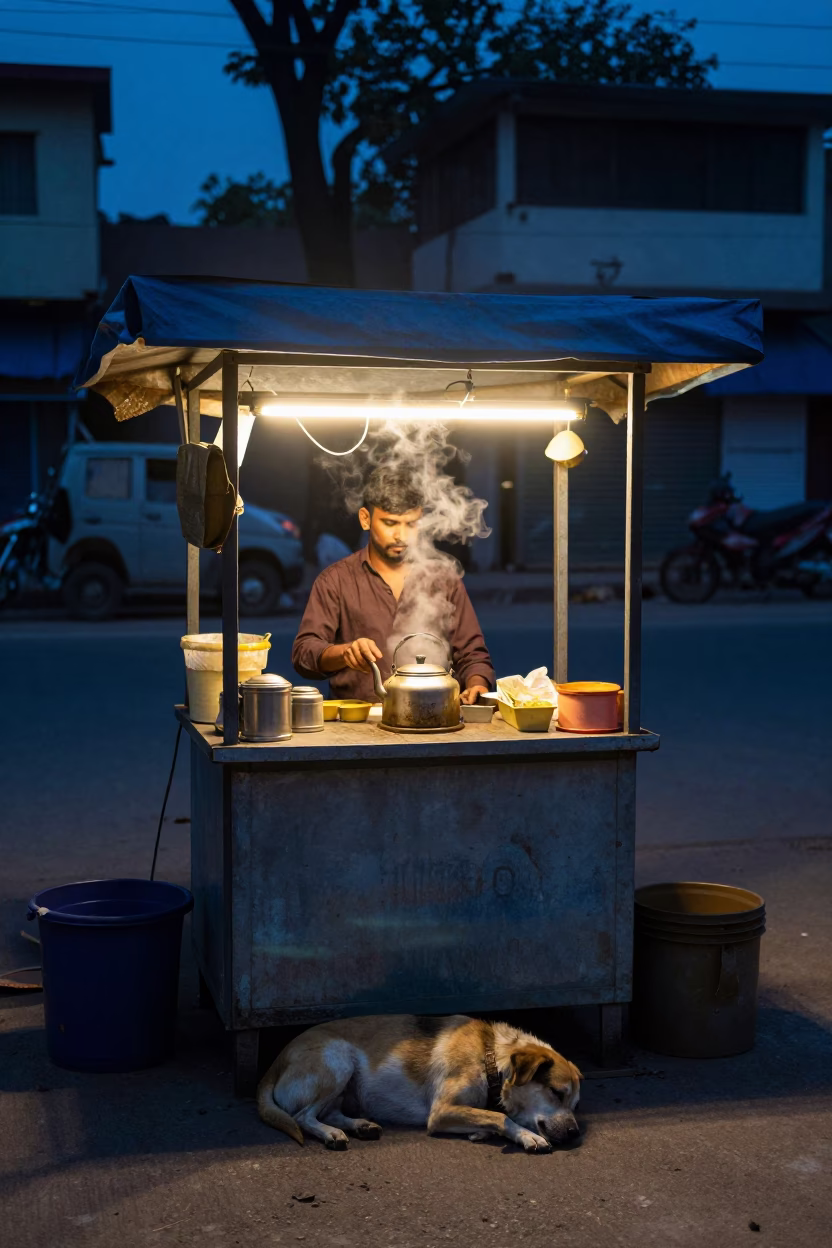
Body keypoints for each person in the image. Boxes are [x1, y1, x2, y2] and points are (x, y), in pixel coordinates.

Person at [291, 468, 494, 704]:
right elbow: (304, 654)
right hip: (359, 720)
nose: (401, 536)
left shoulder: (443, 579)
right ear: (365, 519)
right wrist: (344, 653)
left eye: (411, 524)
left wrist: (477, 684)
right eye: (390, 523)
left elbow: (473, 654)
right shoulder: (336, 580)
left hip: (436, 713)